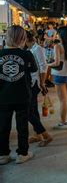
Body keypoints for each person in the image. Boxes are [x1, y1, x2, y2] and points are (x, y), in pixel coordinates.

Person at [0, 26, 37, 164]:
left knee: (3, 126)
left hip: (3, 96)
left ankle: (3, 154)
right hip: (22, 95)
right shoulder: (27, 54)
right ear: (23, 38)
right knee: (22, 126)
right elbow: (34, 71)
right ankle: (22, 153)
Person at [25, 32, 53, 147]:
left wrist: (42, 82)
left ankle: (44, 135)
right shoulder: (30, 49)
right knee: (33, 110)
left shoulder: (38, 49)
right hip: (31, 82)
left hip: (35, 83)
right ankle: (39, 134)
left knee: (29, 110)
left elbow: (43, 66)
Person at [48, 26, 67, 129]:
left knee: (63, 100)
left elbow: (56, 62)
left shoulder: (58, 46)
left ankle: (62, 123)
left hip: (60, 75)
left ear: (61, 35)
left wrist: (47, 64)